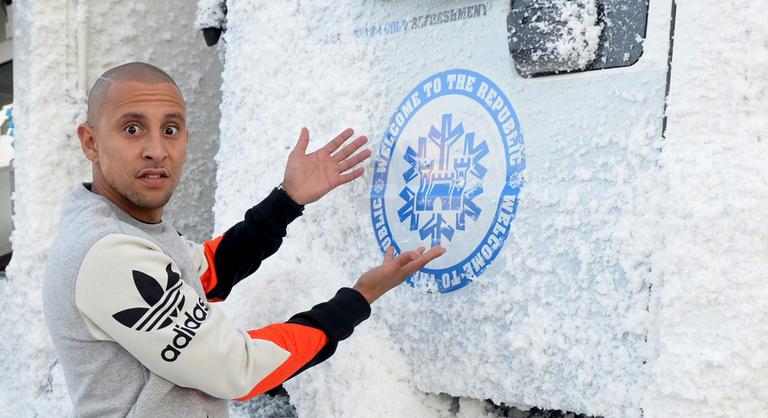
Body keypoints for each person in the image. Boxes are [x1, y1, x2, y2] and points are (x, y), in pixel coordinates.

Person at [42, 62, 445, 418]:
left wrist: (287, 200)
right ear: (90, 141)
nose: (156, 150)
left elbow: (209, 272)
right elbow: (238, 370)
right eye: (132, 129)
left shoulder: (129, 229)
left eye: (170, 129)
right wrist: (359, 298)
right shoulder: (108, 252)